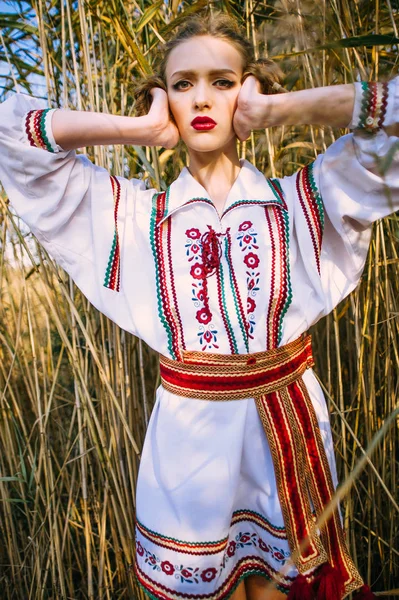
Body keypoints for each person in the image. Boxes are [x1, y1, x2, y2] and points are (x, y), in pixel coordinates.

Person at [0, 11, 397, 600]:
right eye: (183, 84)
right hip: (189, 446)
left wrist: (279, 113)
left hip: (285, 433)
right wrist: (139, 130)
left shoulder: (302, 203)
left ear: (248, 90)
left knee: (281, 591)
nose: (203, 98)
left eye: (223, 80)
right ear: (165, 99)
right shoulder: (133, 219)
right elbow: (14, 136)